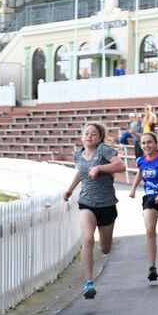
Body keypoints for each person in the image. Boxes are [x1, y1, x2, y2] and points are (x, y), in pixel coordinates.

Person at [63, 122, 126, 299]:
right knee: (88, 239)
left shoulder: (104, 151)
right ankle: (89, 283)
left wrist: (100, 167)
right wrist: (69, 189)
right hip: (87, 203)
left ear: (99, 138)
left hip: (106, 204)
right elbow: (80, 172)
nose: (89, 136)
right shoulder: (79, 155)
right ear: (82, 136)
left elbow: (121, 166)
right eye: (86, 133)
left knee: (105, 249)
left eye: (93, 134)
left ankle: (99, 259)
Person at [128, 131, 158, 282]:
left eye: (149, 142)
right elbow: (140, 172)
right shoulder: (141, 160)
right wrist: (133, 189)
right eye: (143, 143)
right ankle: (152, 267)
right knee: (149, 230)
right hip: (150, 198)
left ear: (156, 144)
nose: (146, 146)